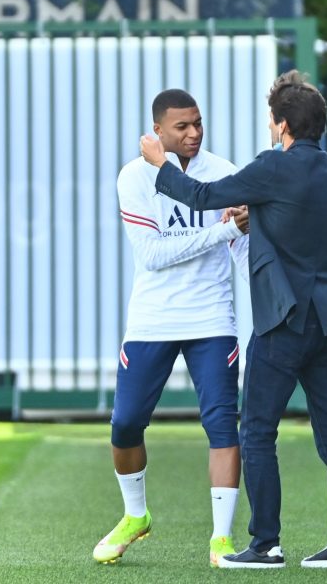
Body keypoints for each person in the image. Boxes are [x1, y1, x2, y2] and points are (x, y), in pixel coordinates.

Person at [139, 70, 327, 569]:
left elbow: (201, 196)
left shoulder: (271, 168)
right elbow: (294, 221)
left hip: (283, 320)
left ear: (282, 126)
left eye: (271, 119)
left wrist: (160, 163)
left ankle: (265, 545)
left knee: (258, 432)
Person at [93, 89, 250, 568]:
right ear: (157, 132)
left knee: (223, 426)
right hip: (151, 320)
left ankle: (221, 541)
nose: (194, 133)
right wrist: (225, 230)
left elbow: (242, 253)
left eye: (198, 123)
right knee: (124, 425)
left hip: (211, 319)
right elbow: (154, 255)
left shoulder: (224, 172)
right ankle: (135, 516)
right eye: (182, 126)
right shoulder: (133, 177)